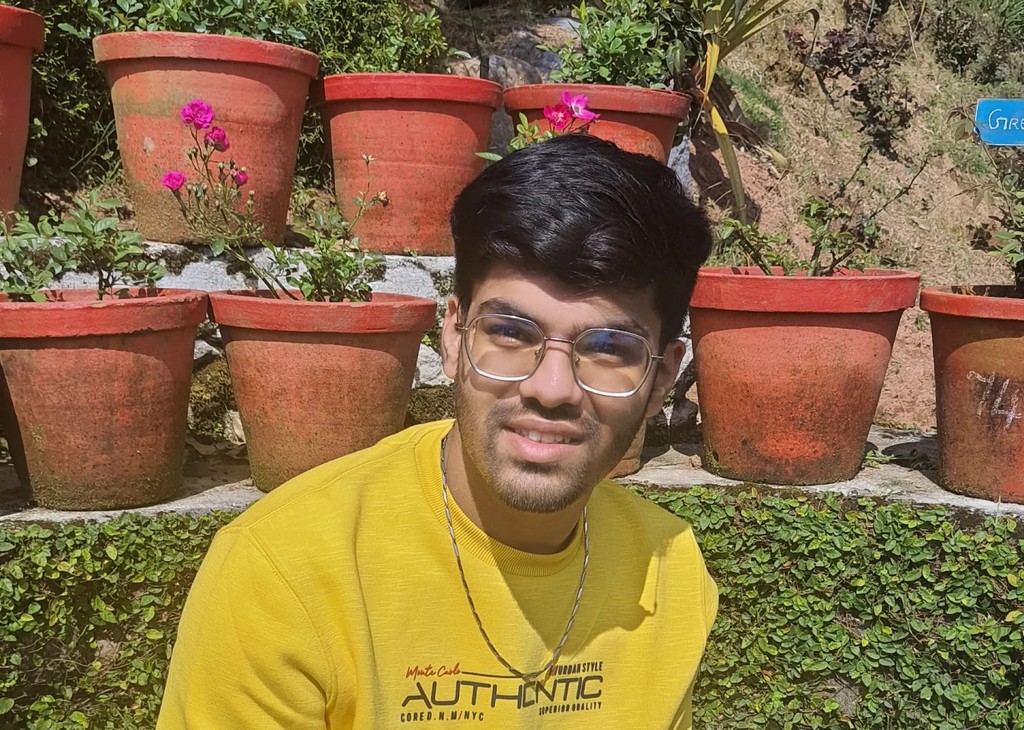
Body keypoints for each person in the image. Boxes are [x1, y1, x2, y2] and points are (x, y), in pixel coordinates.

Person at [157, 134, 717, 728]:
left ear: (661, 379)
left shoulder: (671, 573)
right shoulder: (284, 573)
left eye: (608, 347)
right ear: (453, 338)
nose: (552, 388)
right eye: (511, 331)